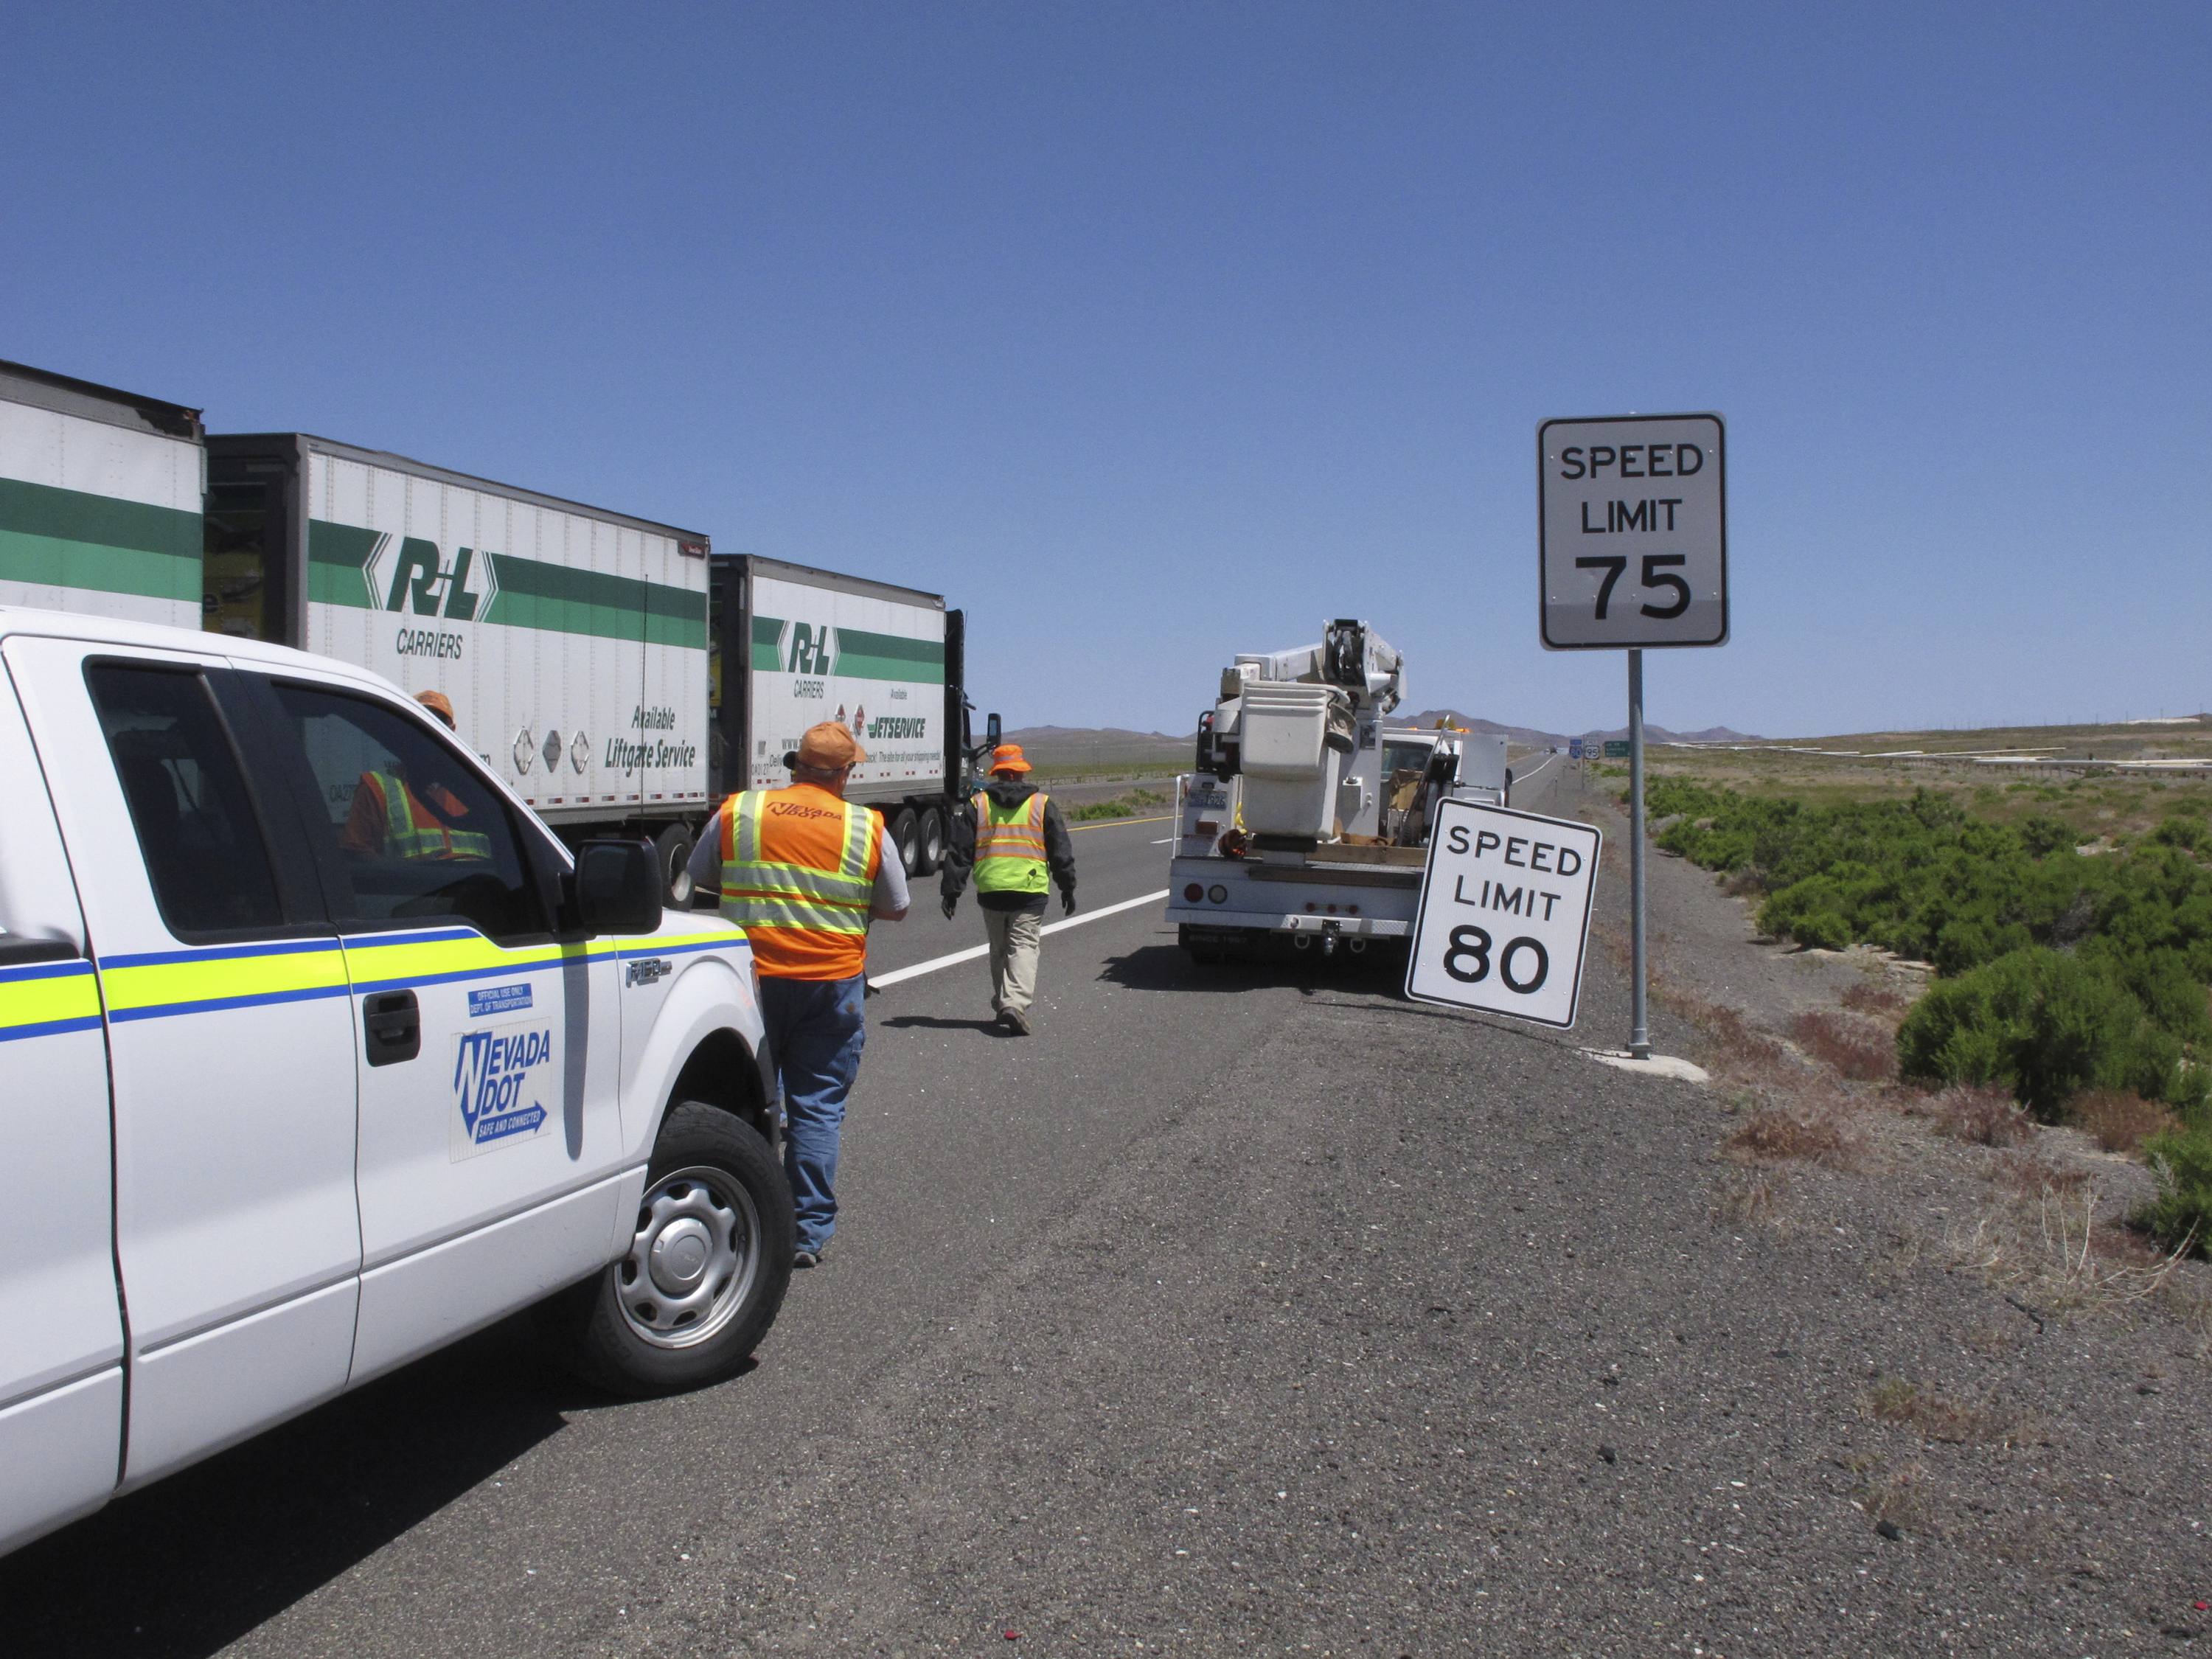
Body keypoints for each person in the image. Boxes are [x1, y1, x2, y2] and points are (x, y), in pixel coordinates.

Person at [685, 721, 908, 1267]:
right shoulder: (865, 827)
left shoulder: (742, 812)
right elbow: (897, 905)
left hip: (747, 982)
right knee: (816, 1107)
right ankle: (806, 1232)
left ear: (796, 765)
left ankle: (739, 1213)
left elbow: (698, 876)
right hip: (829, 985)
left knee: (738, 1102)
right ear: (846, 772)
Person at [938, 743, 1076, 1035]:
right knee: (1023, 946)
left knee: (999, 949)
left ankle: (1005, 1001)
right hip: (1030, 888)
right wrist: (1067, 887)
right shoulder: (1042, 803)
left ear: (998, 773)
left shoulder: (978, 804)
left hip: (991, 889)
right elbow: (1060, 850)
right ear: (1021, 772)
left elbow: (960, 851)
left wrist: (951, 891)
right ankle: (1013, 1003)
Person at [338, 689, 488, 860]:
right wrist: (413, 868)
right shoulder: (377, 786)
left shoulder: (479, 786)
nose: (430, 731)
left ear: (452, 730)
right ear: (407, 730)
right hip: (417, 886)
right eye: (422, 724)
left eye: (439, 723)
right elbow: (355, 856)